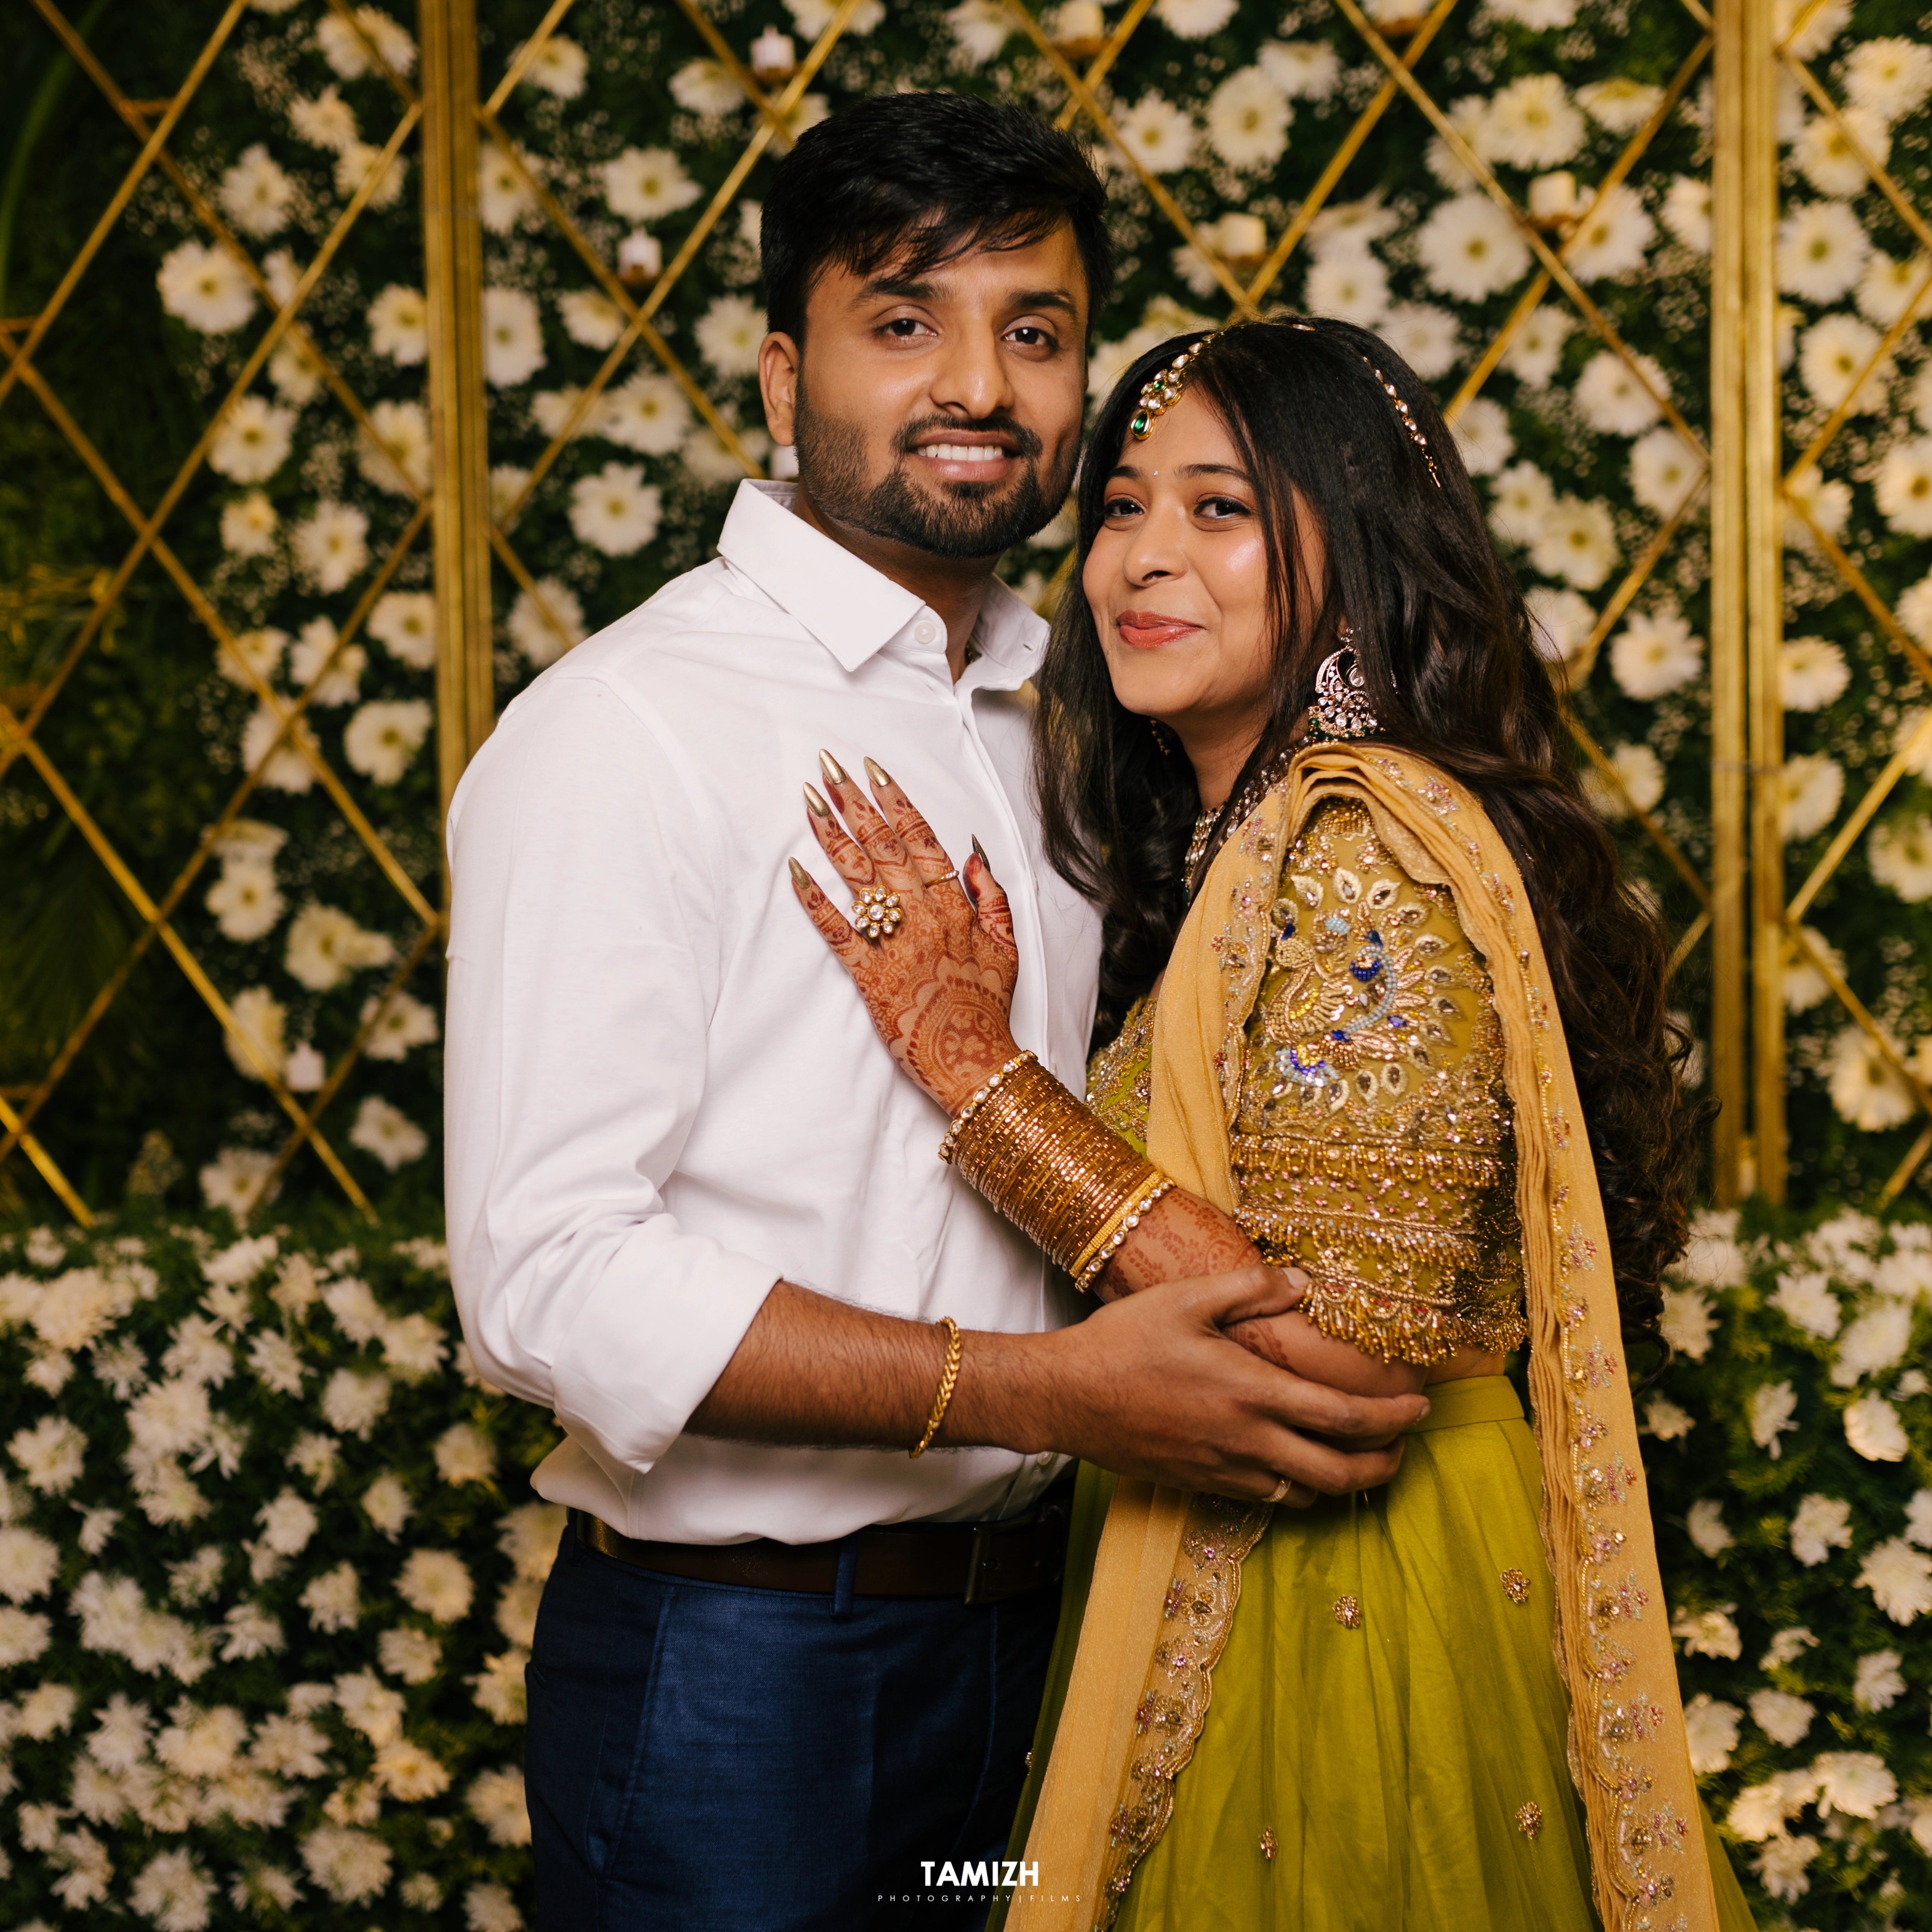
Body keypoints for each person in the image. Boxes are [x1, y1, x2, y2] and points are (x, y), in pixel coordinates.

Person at [444, 99, 1428, 1931]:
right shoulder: (627, 730)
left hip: (1057, 1653)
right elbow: (546, 1279)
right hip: (747, 1681)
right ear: (775, 370)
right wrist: (1048, 1392)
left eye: (1033, 331)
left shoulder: (1090, 706)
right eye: (903, 320)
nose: (978, 382)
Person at [791, 317, 1761, 1930]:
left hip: (1337, 1619)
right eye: (1116, 506)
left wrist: (966, 1064)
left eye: (1217, 509)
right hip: (1227, 1572)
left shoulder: (1356, 840)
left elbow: (1327, 1365)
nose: (1137, 560)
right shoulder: (1243, 847)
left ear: (1356, 545)